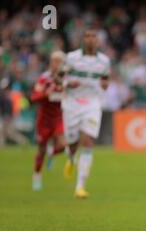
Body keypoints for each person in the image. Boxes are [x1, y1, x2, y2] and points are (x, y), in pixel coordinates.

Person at [61, 28, 111, 199]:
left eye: (93, 36)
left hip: (92, 103)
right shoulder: (72, 57)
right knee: (73, 141)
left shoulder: (104, 61)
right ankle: (71, 158)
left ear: (97, 41)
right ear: (83, 39)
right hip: (72, 103)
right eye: (87, 36)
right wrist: (68, 83)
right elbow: (59, 78)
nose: (90, 39)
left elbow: (105, 80)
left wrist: (105, 85)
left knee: (88, 141)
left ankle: (80, 187)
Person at [30, 50, 67, 191]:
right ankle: (37, 174)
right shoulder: (44, 78)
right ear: (51, 62)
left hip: (59, 117)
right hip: (44, 119)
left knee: (63, 145)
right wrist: (46, 93)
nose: (57, 64)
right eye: (55, 60)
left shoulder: (66, 79)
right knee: (41, 149)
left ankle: (52, 153)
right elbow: (34, 97)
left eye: (60, 61)